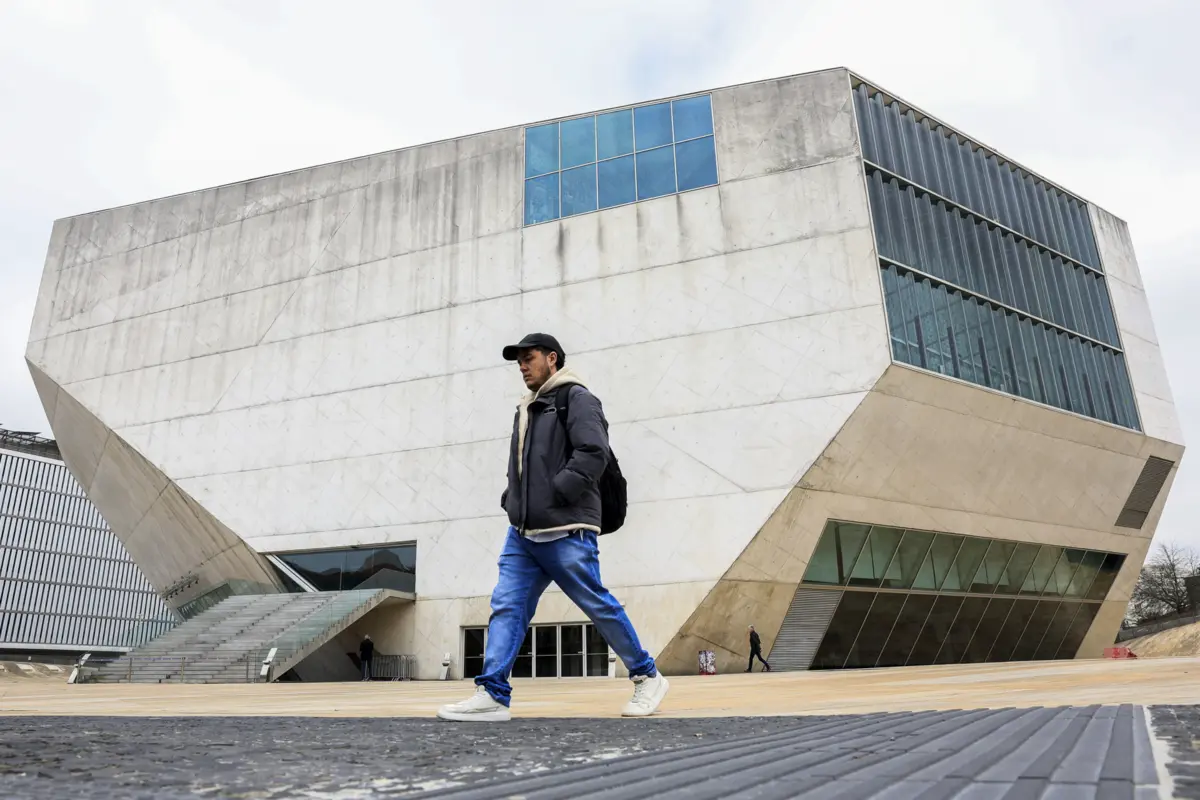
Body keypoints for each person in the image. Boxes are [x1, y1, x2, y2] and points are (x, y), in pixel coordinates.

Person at [437, 333, 668, 722]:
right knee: (506, 607)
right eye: (519, 361)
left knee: (596, 605)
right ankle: (492, 694)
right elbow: (527, 468)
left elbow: (592, 452)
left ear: (552, 359)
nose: (523, 366)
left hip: (568, 528)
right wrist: (513, 499)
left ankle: (647, 676)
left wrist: (559, 492)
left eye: (529, 358)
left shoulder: (576, 399)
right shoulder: (527, 407)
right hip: (524, 535)